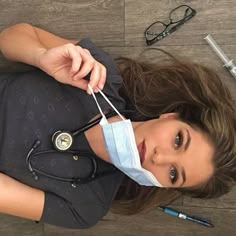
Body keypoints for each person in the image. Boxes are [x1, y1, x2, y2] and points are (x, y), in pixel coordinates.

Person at [0, 23, 235, 229]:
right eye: (178, 140)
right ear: (170, 116)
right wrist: (41, 56)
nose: (159, 158)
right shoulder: (95, 74)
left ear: (163, 186)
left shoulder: (86, 207)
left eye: (173, 174)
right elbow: (10, 37)